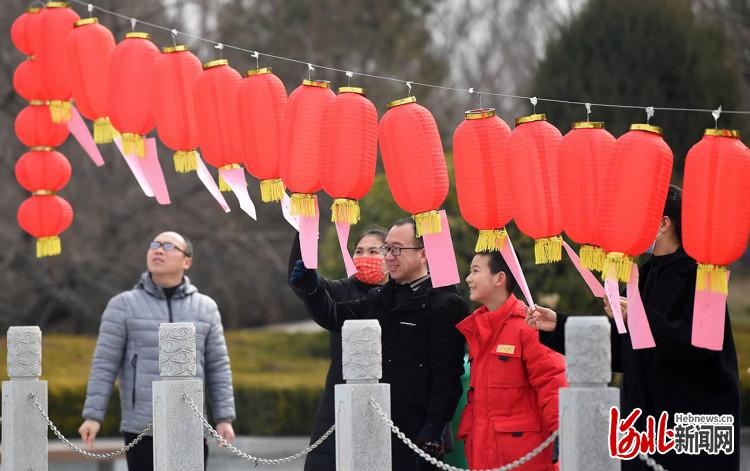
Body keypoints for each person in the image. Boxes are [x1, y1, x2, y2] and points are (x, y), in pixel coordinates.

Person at [526, 186, 741, 470]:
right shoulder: (643, 275)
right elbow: (622, 350)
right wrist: (559, 325)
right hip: (643, 425)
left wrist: (641, 318)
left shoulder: (706, 275)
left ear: (663, 224)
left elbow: (699, 349)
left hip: (689, 425)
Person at [290, 217, 469, 470]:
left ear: (423, 253)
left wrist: (434, 428)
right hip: (376, 423)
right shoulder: (381, 297)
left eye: (397, 249)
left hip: (419, 431)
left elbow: (447, 377)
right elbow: (335, 317)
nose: (389, 256)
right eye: (387, 248)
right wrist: (313, 290)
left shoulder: (446, 303)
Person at [78, 231, 236, 471]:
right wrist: (93, 416)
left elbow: (218, 366)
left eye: (169, 246)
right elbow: (104, 363)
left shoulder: (206, 308)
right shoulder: (123, 305)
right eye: (154, 245)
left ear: (187, 262)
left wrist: (224, 418)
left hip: (190, 421)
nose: (158, 250)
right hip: (141, 427)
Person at [288, 226, 389, 471]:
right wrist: (305, 234)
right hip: (340, 398)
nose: (365, 257)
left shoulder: (402, 295)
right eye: (359, 251)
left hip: (390, 400)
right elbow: (307, 286)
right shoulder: (340, 291)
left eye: (374, 251)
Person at [457, 251, 566, 470]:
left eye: (475, 271)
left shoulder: (529, 325)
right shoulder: (480, 328)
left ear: (500, 278)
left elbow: (553, 382)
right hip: (485, 455)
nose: (468, 279)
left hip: (525, 458)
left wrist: (563, 433)